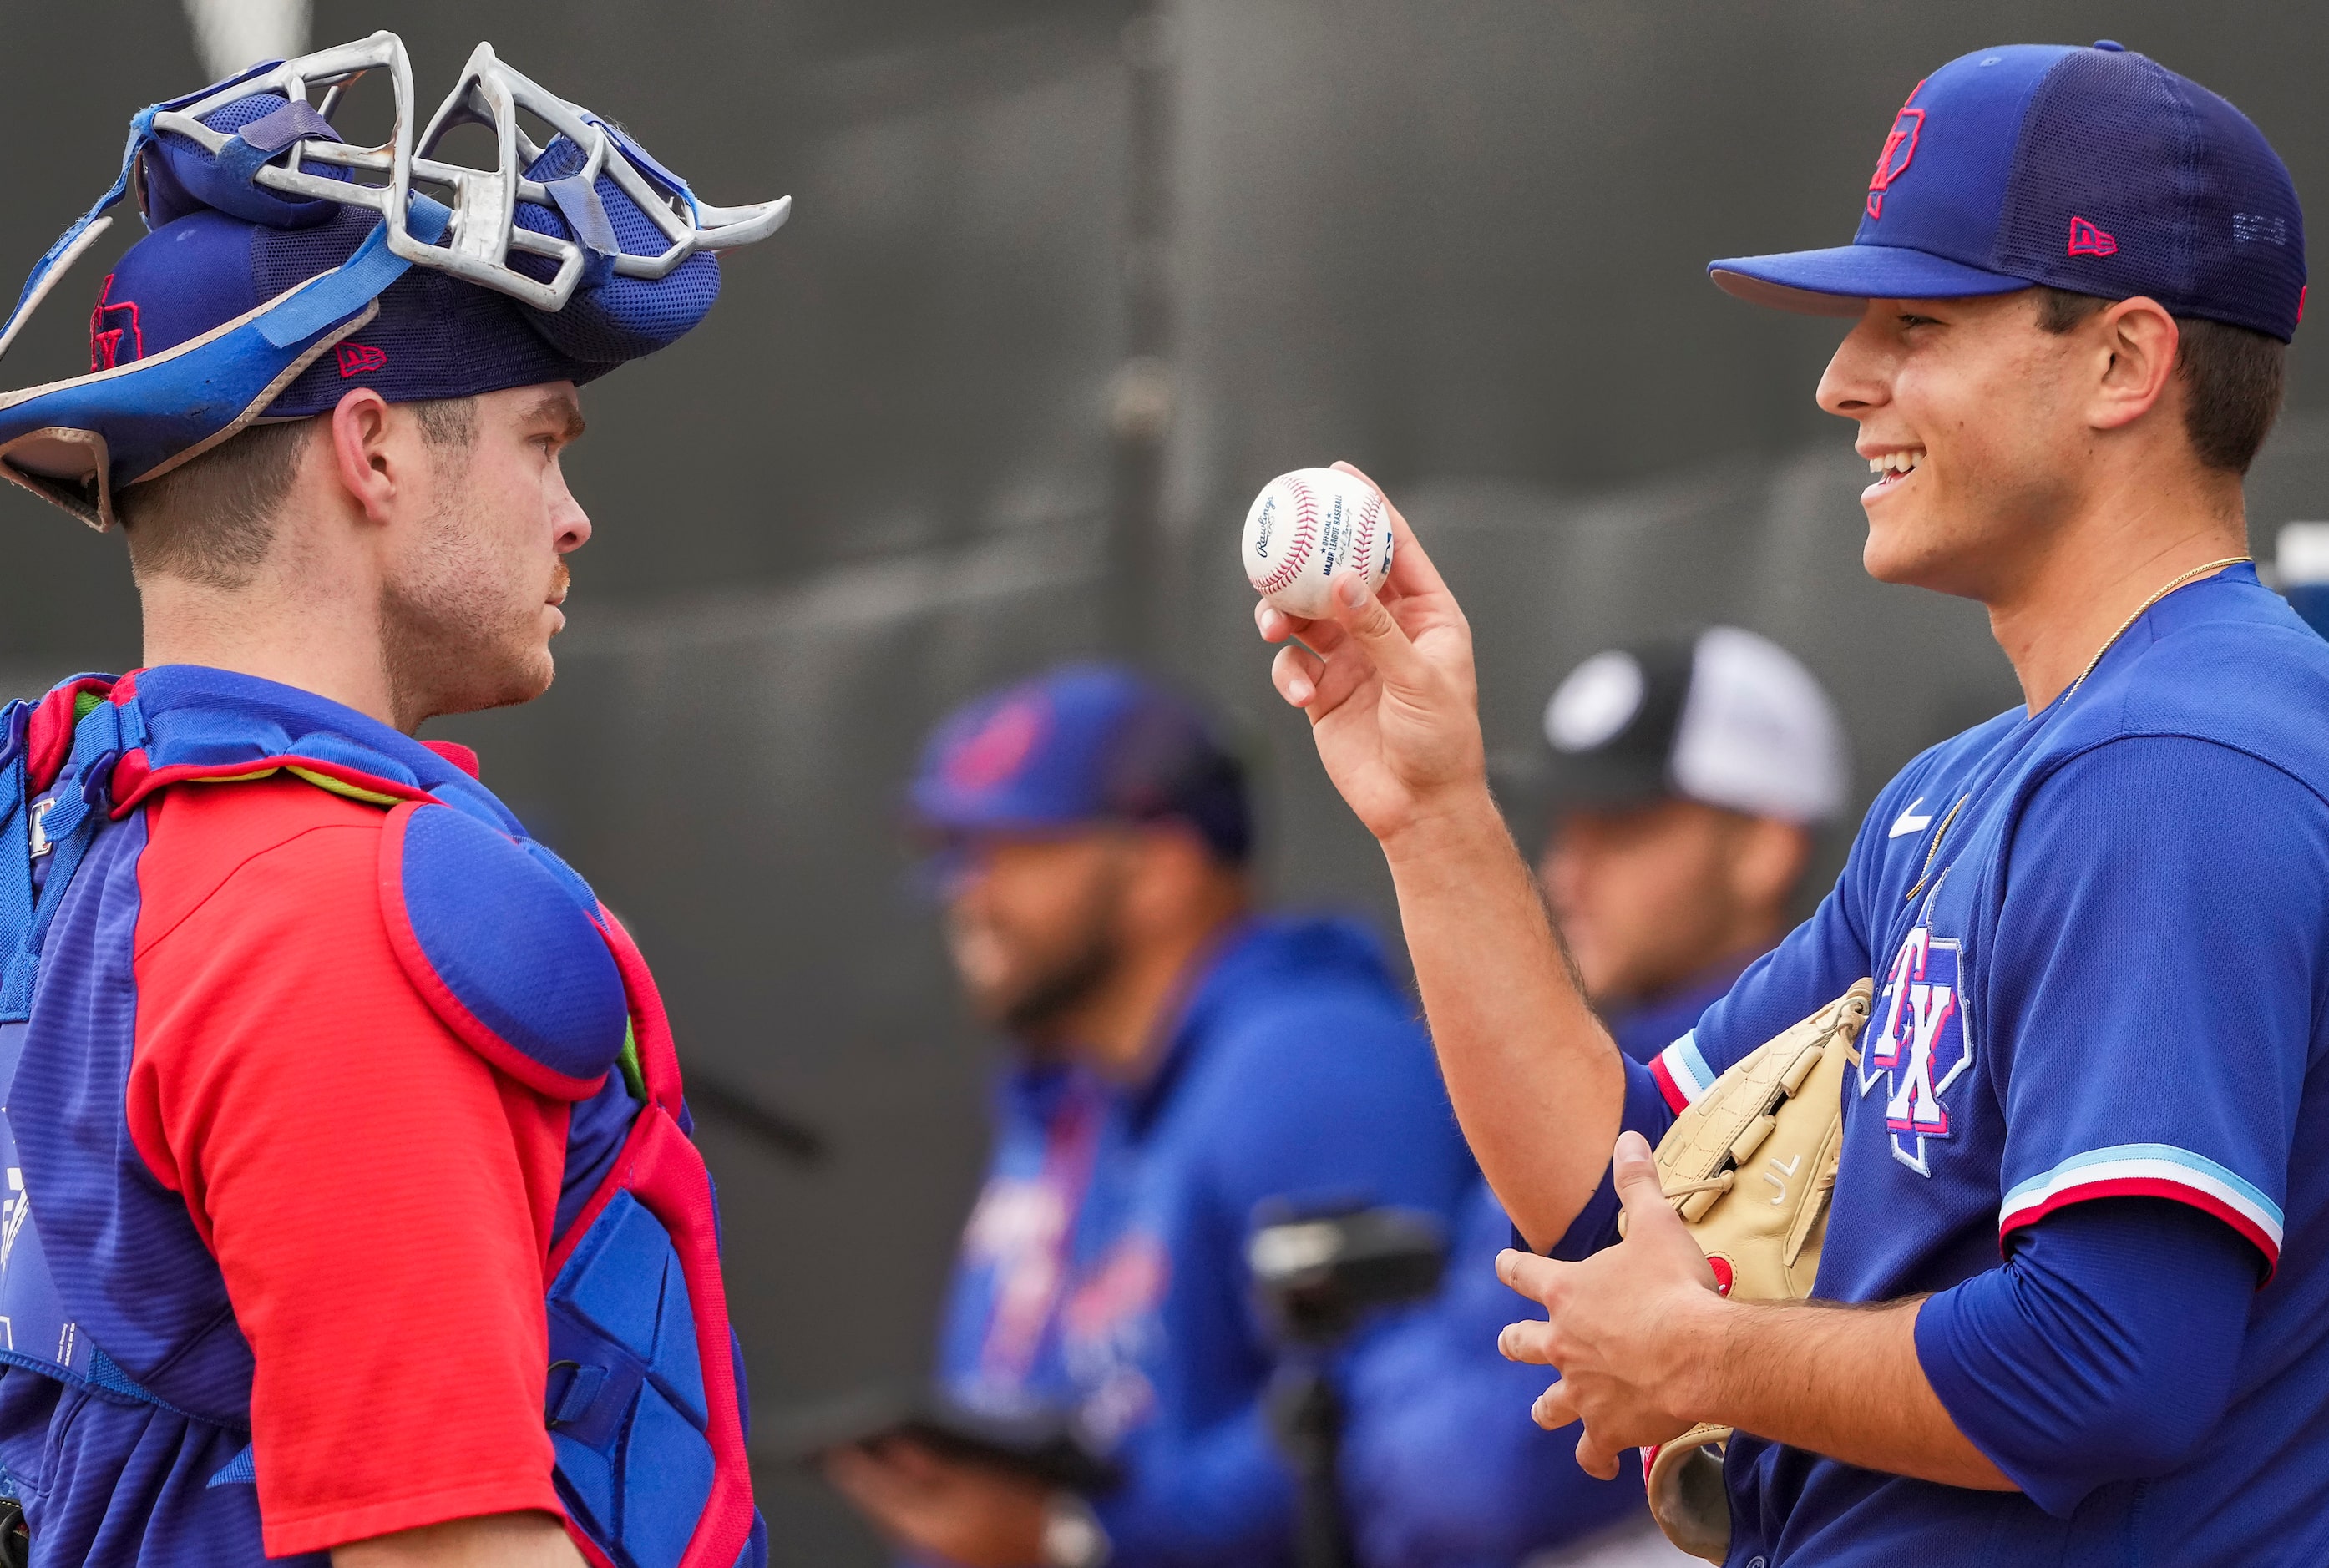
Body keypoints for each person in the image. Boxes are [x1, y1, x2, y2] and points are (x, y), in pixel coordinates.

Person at [1253, 40, 2326, 1568]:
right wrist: (1428, 808)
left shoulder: (2175, 766)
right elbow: (1617, 1176)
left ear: (2121, 362)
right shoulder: (1965, 790)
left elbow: (2109, 1364)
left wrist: (1703, 1357)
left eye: (1913, 322)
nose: (1841, 381)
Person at [0, 35, 787, 1568]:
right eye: (539, 439)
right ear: (370, 450)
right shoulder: (338, 914)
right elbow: (449, 1549)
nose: (572, 516)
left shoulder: (58, 834)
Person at [826, 662, 1476, 1568]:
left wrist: (1071, 1541)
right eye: (958, 855)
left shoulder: (1309, 1061)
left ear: (1162, 868)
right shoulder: (1072, 1098)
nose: (965, 892)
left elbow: (1405, 1420)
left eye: (1015, 849)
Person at [1340, 630, 1845, 1567]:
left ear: (1764, 848)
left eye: (1621, 828)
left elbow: (1480, 1489)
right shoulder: (1574, 1066)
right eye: (1565, 829)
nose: (1568, 870)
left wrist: (1386, 1421)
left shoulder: (1806, 1089)